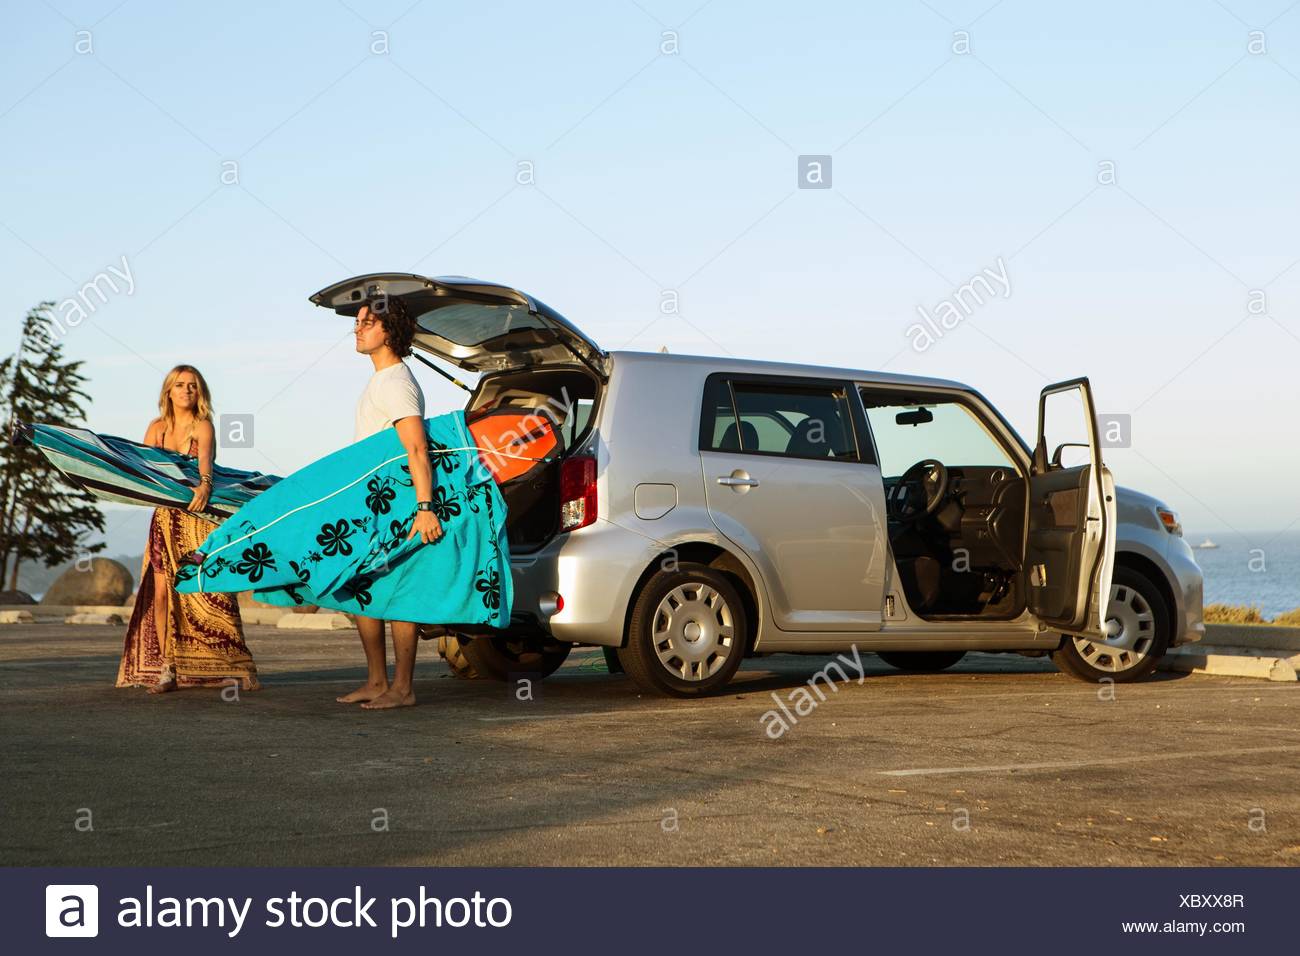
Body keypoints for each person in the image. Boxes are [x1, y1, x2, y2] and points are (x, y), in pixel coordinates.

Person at [119, 365, 260, 693]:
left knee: (213, 590)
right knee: (162, 592)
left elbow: (205, 467)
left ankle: (237, 665)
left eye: (193, 386)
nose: (186, 390)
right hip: (165, 520)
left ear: (201, 392)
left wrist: (204, 487)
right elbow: (144, 471)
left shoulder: (203, 426)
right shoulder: (157, 429)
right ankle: (168, 667)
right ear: (168, 391)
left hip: (197, 520)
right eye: (180, 385)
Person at [336, 297, 444, 710]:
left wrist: (425, 507)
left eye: (368, 322)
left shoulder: (397, 382)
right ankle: (377, 681)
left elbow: (417, 449)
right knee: (364, 586)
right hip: (372, 506)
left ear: (390, 331)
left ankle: (403, 688)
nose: (358, 328)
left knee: (399, 592)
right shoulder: (379, 381)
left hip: (399, 506)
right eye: (358, 322)